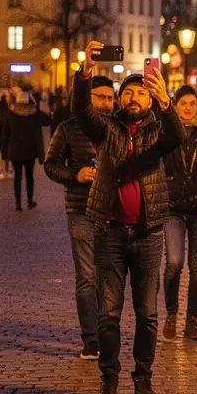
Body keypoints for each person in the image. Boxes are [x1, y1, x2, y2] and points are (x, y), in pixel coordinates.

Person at [73, 41, 184, 394]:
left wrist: (167, 101)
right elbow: (82, 110)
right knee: (108, 312)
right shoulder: (106, 129)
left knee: (147, 313)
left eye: (141, 92)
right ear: (120, 100)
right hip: (110, 233)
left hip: (148, 233)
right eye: (129, 92)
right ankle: (108, 379)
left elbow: (178, 137)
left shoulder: (158, 132)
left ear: (151, 100)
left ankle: (143, 379)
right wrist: (85, 71)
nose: (134, 97)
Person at [44, 75, 116, 359]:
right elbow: (50, 165)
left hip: (113, 211)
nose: (106, 103)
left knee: (107, 276)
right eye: (100, 97)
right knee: (87, 276)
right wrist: (75, 174)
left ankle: (106, 330)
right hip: (81, 209)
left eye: (110, 98)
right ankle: (91, 339)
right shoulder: (68, 128)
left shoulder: (118, 128)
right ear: (87, 98)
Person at [162, 85, 197, 342]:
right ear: (175, 104)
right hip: (172, 207)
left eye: (191, 103)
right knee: (174, 262)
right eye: (182, 102)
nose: (187, 107)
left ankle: (191, 321)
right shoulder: (167, 131)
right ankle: (171, 315)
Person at [5, 86, 49, 211]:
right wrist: (36, 104)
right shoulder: (34, 114)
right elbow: (47, 120)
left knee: (17, 177)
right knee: (29, 176)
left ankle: (18, 204)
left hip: (15, 149)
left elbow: (6, 132)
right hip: (30, 150)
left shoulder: (11, 113)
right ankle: (29, 201)